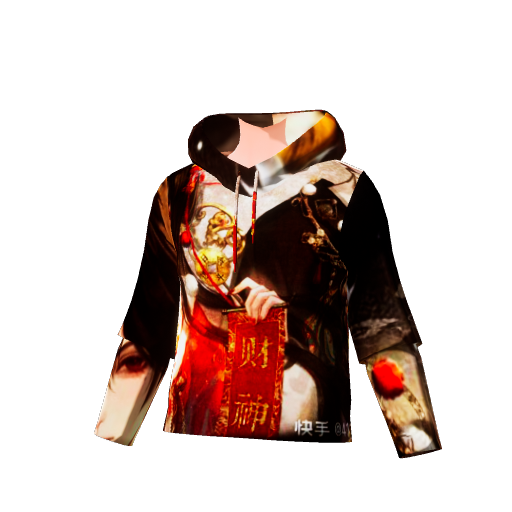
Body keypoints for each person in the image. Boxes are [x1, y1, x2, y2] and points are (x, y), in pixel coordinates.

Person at [94, 110, 441, 455]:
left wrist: (420, 447)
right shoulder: (177, 189)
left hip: (310, 428)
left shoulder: (346, 187)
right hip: (197, 425)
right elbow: (146, 332)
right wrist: (110, 439)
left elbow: (384, 334)